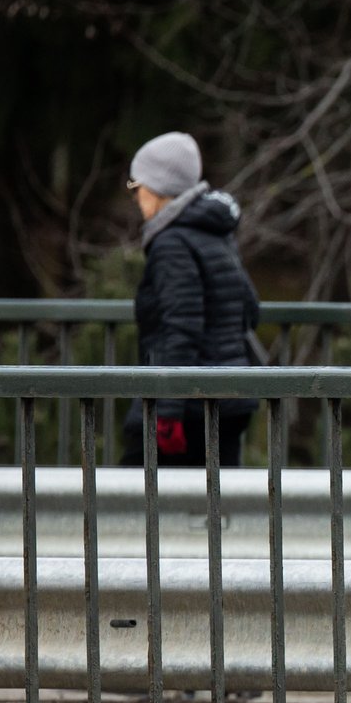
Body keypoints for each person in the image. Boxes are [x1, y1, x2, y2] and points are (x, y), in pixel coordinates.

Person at [122, 131, 261, 466]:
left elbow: (181, 330)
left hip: (189, 407)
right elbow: (249, 309)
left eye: (135, 186)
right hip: (228, 398)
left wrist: (166, 415)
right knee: (214, 509)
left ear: (156, 189)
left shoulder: (172, 243)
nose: (135, 195)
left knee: (131, 503)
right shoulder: (216, 234)